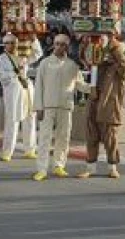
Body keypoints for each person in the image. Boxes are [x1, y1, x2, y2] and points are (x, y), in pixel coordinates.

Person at [32, 34, 89, 181]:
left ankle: (59, 165)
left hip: (65, 105)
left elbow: (79, 84)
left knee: (63, 137)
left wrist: (93, 88)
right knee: (44, 138)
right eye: (56, 44)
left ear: (67, 46)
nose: (59, 47)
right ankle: (42, 169)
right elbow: (38, 86)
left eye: (62, 44)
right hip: (47, 105)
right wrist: (38, 107)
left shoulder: (72, 64)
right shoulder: (45, 63)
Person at [78, 38, 125, 179]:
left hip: (110, 106)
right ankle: (90, 167)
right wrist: (86, 41)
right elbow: (84, 57)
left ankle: (112, 167)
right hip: (94, 102)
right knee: (91, 135)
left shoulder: (119, 67)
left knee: (110, 137)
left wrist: (115, 48)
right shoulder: (97, 65)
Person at [0, 33, 41, 161]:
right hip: (13, 91)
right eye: (7, 43)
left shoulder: (23, 55)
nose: (10, 45)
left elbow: (38, 54)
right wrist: (16, 73)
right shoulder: (2, 58)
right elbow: (1, 76)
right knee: (12, 120)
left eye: (12, 43)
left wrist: (34, 39)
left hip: (26, 90)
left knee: (30, 119)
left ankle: (30, 149)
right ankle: (7, 152)